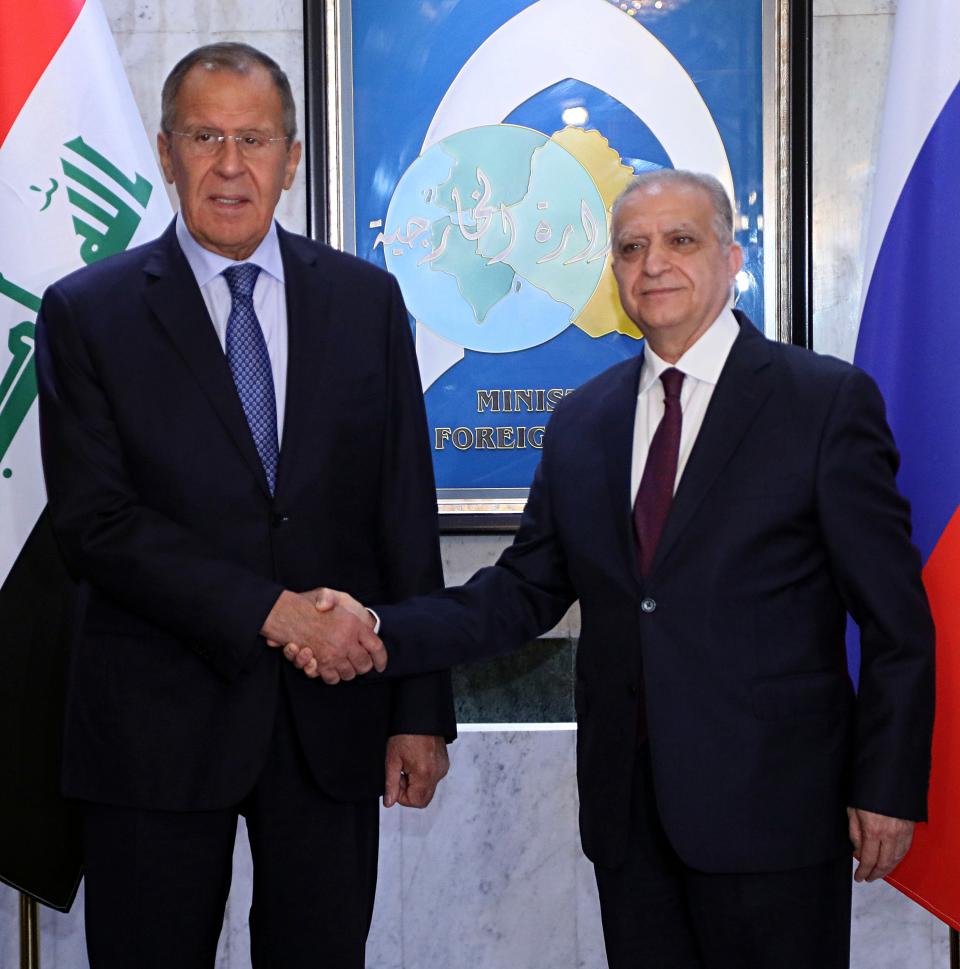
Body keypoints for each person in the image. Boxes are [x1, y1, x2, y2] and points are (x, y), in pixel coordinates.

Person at [295, 170, 936, 969]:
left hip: (775, 814)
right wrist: (382, 627)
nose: (654, 263)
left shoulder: (824, 403)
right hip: (628, 817)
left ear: (733, 256)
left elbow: (898, 623)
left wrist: (887, 786)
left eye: (681, 240)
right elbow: (522, 591)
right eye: (632, 247)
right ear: (614, 273)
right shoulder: (582, 422)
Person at [35, 42, 454, 969]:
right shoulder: (88, 312)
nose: (231, 164)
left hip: (331, 724)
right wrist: (269, 609)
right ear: (165, 149)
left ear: (292, 159)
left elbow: (402, 512)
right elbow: (95, 521)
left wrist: (419, 706)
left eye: (255, 138)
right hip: (154, 725)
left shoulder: (368, 301)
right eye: (206, 135)